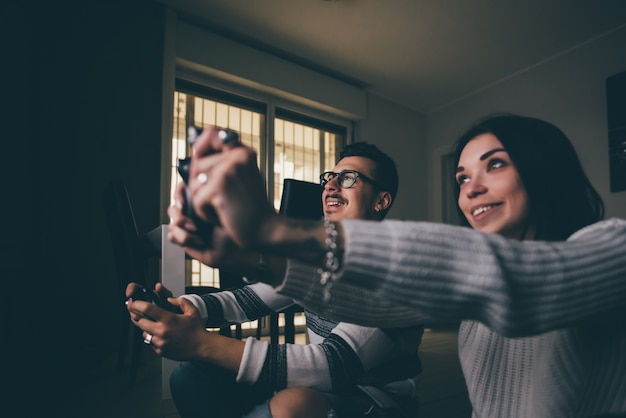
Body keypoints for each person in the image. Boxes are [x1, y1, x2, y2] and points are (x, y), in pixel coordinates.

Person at [170, 114, 626, 418]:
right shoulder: (457, 294)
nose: (470, 188)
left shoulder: (612, 247)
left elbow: (515, 279)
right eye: (463, 176)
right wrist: (240, 258)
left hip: (372, 400)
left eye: (495, 165)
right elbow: (349, 290)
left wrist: (275, 232)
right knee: (192, 379)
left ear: (544, 170)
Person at [127, 142, 424, 418]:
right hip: (320, 387)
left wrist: (200, 342)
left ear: (381, 201)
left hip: (375, 401)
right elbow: (247, 300)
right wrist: (177, 307)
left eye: (348, 178)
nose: (330, 186)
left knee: (293, 405)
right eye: (330, 177)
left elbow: (331, 365)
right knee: (190, 374)